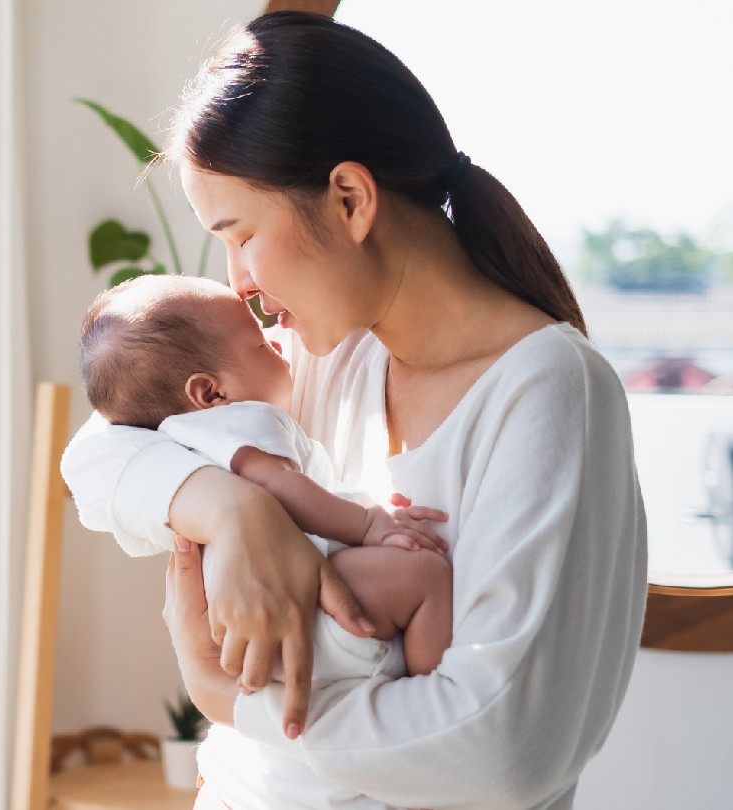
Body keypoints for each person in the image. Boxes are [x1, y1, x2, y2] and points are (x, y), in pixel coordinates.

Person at [60, 11, 646, 810]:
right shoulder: (325, 354)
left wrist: (228, 701)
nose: (237, 282)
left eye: (241, 236)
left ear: (348, 198)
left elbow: (503, 754)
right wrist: (231, 509)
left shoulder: (548, 392)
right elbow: (94, 459)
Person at [77, 273, 453, 678]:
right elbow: (281, 487)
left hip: (250, 626)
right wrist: (369, 522)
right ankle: (432, 684)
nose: (277, 341)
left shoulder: (176, 434)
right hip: (300, 601)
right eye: (260, 343)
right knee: (427, 577)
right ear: (209, 393)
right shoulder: (243, 420)